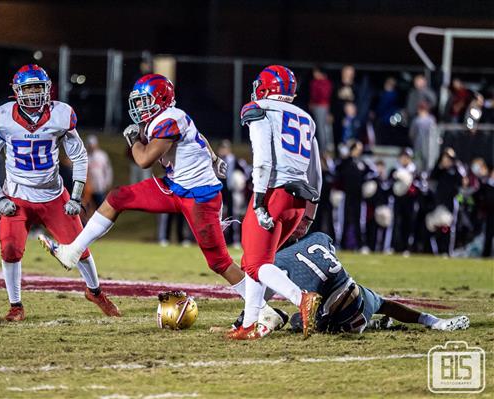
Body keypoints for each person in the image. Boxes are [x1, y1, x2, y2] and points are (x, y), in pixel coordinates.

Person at [39, 74, 286, 328]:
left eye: (145, 101)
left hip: (199, 197)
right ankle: (74, 251)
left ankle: (263, 310)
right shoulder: (169, 117)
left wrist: (134, 139)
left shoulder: (169, 119)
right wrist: (213, 160)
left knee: (219, 262)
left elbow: (144, 159)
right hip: (175, 186)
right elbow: (199, 138)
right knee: (117, 197)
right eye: (137, 102)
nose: (139, 108)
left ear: (161, 100)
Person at [0, 64, 119, 322]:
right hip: (17, 196)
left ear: (47, 89)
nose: (33, 93)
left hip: (54, 196)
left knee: (80, 247)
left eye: (37, 87)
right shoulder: (1, 118)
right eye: (28, 87)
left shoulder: (60, 114)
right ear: (16, 91)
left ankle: (95, 291)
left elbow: (79, 156)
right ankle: (15, 305)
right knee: (10, 248)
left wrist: (76, 197)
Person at [227, 65, 323, 340]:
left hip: (273, 193)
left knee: (255, 265)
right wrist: (309, 215)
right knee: (256, 261)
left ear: (266, 87)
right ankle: (248, 324)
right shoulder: (306, 117)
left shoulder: (258, 108)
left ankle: (301, 298)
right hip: (300, 200)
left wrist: (258, 200)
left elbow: (263, 157)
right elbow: (316, 172)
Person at [275, 232, 469, 333]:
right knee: (383, 303)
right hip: (354, 293)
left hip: (337, 315)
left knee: (296, 320)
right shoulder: (318, 237)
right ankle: (431, 320)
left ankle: (367, 325)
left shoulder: (279, 258)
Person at [309, 66, 333, 151]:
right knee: (324, 127)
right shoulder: (328, 82)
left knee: (321, 128)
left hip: (319, 106)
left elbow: (316, 95)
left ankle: (322, 149)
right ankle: (325, 147)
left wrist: (312, 103)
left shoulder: (317, 82)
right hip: (325, 106)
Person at [85, 135, 113, 209]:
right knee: (89, 208)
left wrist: (107, 182)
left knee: (100, 208)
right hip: (89, 188)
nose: (92, 147)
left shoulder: (102, 155)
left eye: (93, 145)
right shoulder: (86, 157)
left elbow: (108, 170)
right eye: (90, 145)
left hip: (100, 186)